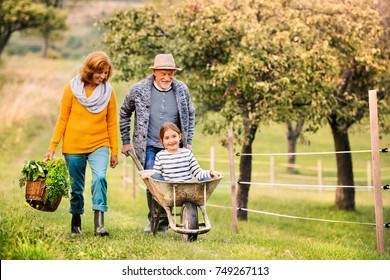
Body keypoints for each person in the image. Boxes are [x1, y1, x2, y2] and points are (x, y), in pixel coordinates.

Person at [44, 51, 118, 237]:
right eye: (99, 72)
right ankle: (76, 221)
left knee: (100, 178)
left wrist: (114, 151)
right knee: (76, 187)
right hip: (73, 146)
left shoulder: (109, 92)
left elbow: (111, 123)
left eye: (106, 73)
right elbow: (62, 119)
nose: (103, 76)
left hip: (99, 144)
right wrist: (52, 147)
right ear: (90, 69)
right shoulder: (72, 89)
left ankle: (99, 225)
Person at [120, 53, 195, 233]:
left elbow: (190, 114)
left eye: (171, 73)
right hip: (149, 145)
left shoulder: (182, 90)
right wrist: (125, 141)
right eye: (163, 73)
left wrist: (189, 140)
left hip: (174, 146)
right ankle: (156, 221)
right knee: (153, 181)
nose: (167, 77)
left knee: (176, 181)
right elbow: (124, 112)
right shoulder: (139, 89)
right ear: (155, 71)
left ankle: (173, 218)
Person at [145, 122, 222, 182]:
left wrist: (211, 173)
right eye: (167, 138)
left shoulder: (187, 154)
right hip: (169, 191)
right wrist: (150, 175)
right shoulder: (160, 156)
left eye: (174, 136)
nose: (171, 140)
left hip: (186, 189)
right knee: (155, 176)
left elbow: (198, 172)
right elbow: (157, 175)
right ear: (162, 141)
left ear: (180, 136)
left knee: (205, 179)